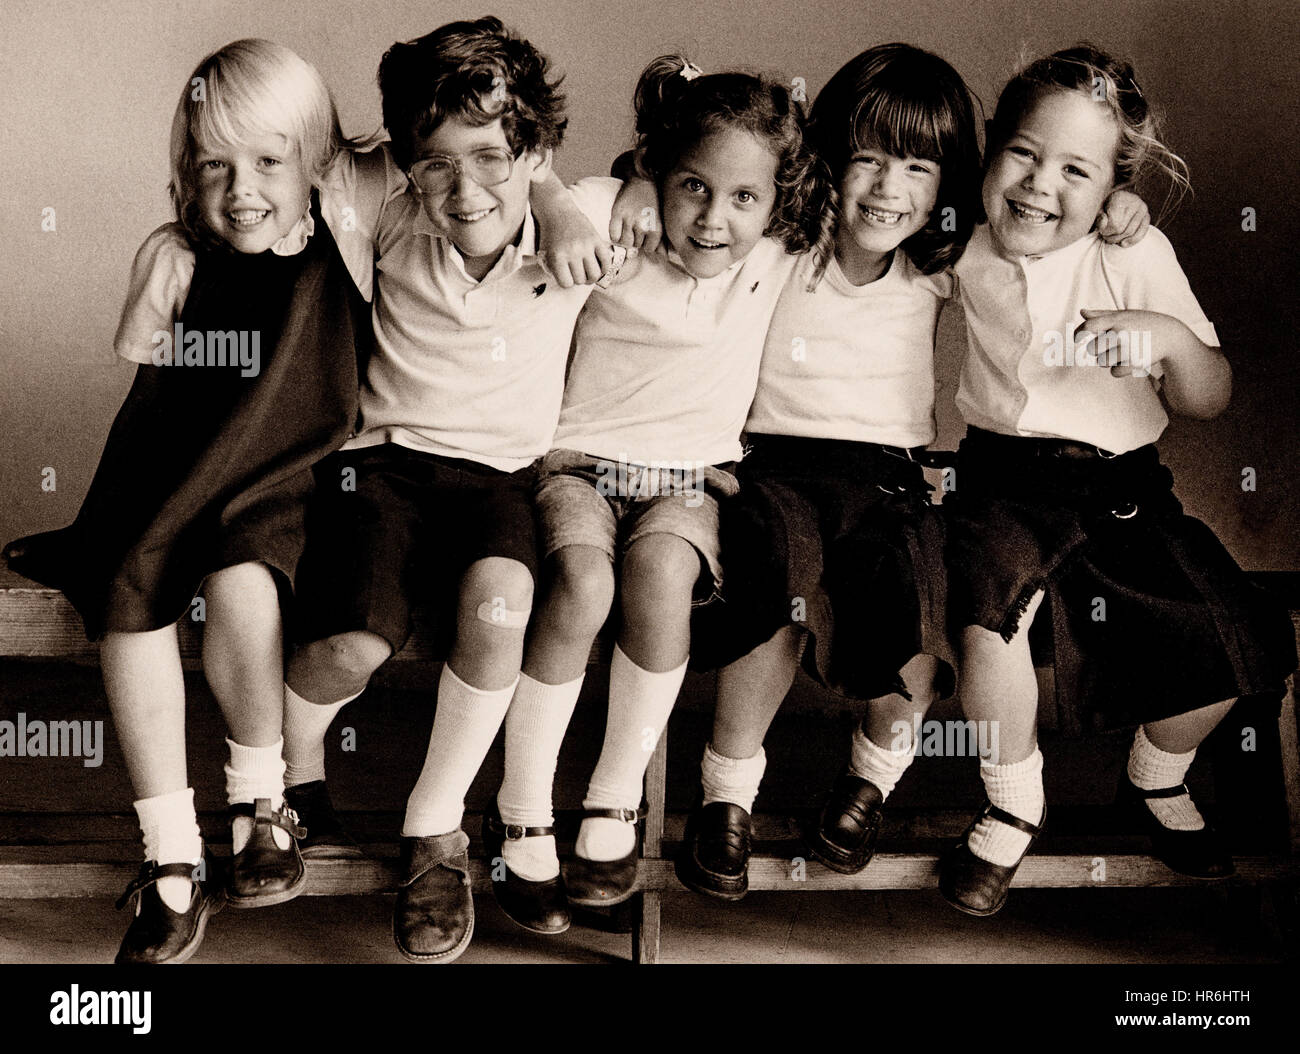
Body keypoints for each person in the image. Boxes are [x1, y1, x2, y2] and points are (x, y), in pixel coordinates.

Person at [4, 38, 382, 962]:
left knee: (248, 585)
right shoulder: (178, 254)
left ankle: (264, 803)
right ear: (186, 173)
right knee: (130, 600)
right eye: (214, 164)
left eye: (267, 160)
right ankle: (171, 858)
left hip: (289, 482)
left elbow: (441, 134)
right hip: (172, 476)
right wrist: (166, 256)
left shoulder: (350, 216)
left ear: (317, 162)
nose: (242, 187)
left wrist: (557, 208)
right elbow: (146, 374)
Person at [939, 44, 1297, 917]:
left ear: (1111, 193)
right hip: (1001, 484)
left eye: (1075, 171)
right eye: (1022, 153)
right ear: (990, 154)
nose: (1037, 185)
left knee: (1241, 643)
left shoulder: (1132, 253)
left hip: (1123, 491)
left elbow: (1209, 395)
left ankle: (1156, 776)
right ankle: (1013, 794)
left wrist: (1166, 339)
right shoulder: (960, 245)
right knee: (988, 622)